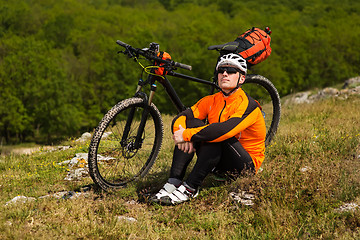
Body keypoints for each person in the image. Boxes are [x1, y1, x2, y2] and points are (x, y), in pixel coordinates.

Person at [150, 53, 266, 205]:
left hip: (244, 166)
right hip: (220, 163)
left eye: (231, 71)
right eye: (221, 70)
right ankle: (174, 181)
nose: (225, 73)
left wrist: (186, 135)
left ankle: (191, 187)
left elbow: (224, 131)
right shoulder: (211, 100)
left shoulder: (249, 106)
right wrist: (182, 132)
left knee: (215, 134)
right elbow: (183, 116)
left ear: (242, 78)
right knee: (193, 122)